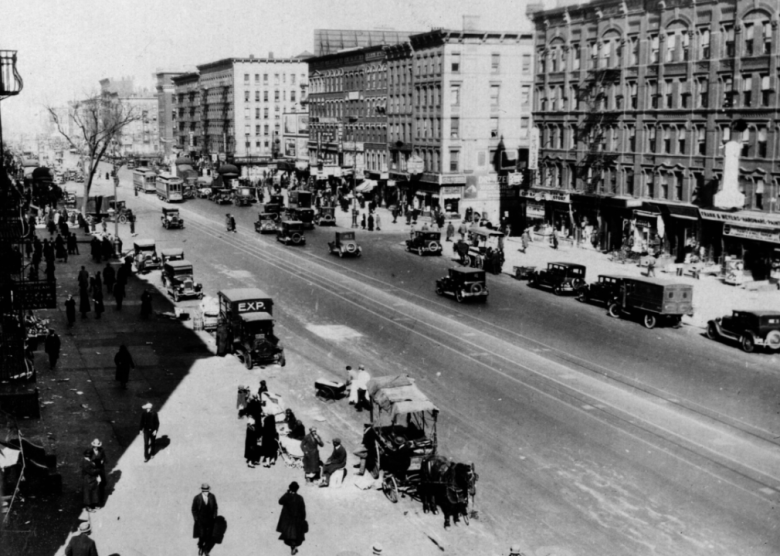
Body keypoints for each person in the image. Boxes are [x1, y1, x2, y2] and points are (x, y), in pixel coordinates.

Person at [277, 481, 307, 555]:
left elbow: (280, 501)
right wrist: (302, 519)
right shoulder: (300, 498)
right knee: (294, 533)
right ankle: (293, 546)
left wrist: (287, 493)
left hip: (287, 519)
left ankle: (293, 547)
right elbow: (303, 509)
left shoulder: (287, 496)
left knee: (290, 533)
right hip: (297, 519)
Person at [192, 483, 218, 556]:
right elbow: (194, 509)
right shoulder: (197, 498)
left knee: (208, 536)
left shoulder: (212, 496)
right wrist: (196, 518)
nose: (205, 491)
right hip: (200, 520)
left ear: (208, 489)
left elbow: (215, 507)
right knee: (202, 535)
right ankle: (200, 547)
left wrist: (214, 516)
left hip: (210, 520)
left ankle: (206, 549)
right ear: (202, 490)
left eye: (206, 490)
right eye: (204, 490)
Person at [89, 439, 108, 505]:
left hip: (100, 468)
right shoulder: (90, 451)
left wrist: (103, 460)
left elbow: (104, 458)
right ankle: (94, 501)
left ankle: (102, 499)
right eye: (95, 446)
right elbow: (88, 460)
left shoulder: (101, 450)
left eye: (97, 446)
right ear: (93, 445)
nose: (96, 447)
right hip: (94, 469)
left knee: (102, 483)